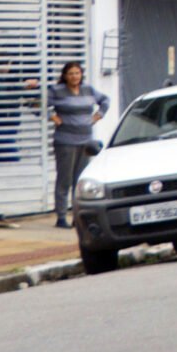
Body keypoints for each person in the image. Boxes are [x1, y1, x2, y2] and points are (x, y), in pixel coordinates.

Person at [47, 61, 110, 230]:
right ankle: (61, 216)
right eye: (70, 73)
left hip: (85, 141)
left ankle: (78, 216)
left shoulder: (88, 90)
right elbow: (38, 103)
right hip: (65, 141)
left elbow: (105, 100)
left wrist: (98, 116)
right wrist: (52, 116)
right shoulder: (57, 91)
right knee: (64, 179)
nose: (74, 76)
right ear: (65, 76)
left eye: (77, 73)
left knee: (79, 180)